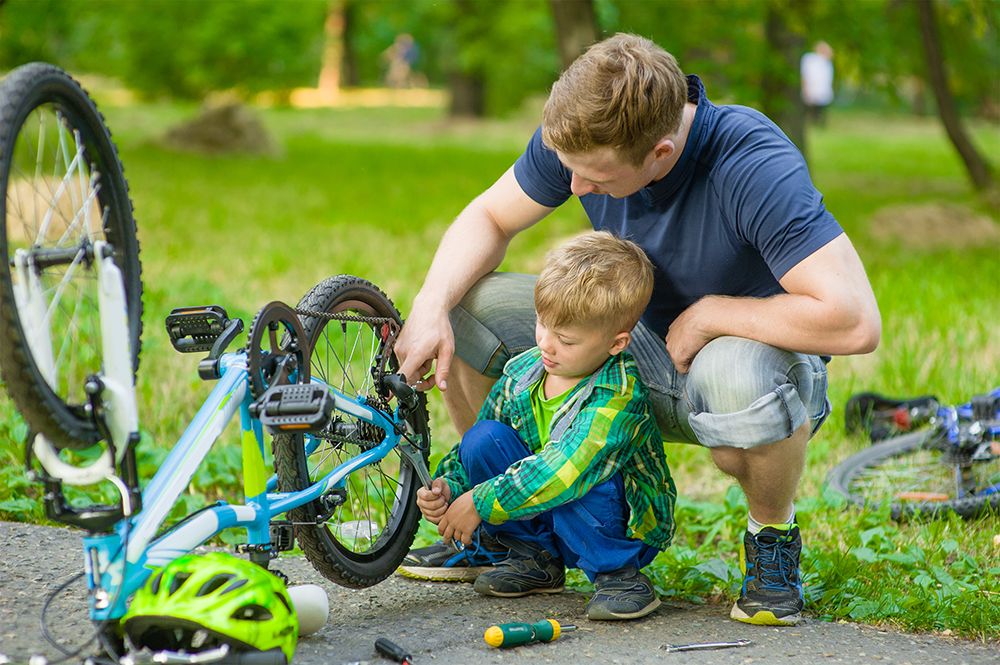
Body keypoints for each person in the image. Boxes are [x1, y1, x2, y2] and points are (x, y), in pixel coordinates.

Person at [396, 33, 881, 627]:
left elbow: (855, 318)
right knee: (468, 303)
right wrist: (429, 304)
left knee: (733, 372)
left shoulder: (751, 163)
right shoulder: (585, 134)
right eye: (571, 172)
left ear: (660, 151)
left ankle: (770, 540)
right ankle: (512, 534)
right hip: (627, 343)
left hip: (742, 364)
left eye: (595, 179)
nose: (575, 189)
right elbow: (490, 216)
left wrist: (708, 316)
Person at [399, 231, 676, 622]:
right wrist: (451, 488)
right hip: (547, 505)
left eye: (565, 340)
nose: (546, 344)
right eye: (542, 325)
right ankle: (533, 557)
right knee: (482, 439)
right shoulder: (523, 371)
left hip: (617, 522)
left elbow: (564, 470)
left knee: (579, 477)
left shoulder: (619, 396)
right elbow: (481, 439)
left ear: (616, 344)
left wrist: (480, 502)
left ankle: (619, 575)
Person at [801, 41, 835, 126]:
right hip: (812, 91)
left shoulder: (827, 63)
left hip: (822, 93)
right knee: (810, 111)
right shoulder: (810, 60)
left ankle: (818, 124)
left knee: (819, 112)